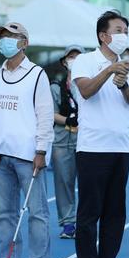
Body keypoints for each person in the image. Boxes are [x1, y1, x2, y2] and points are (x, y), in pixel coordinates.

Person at [0, 22, 54, 258]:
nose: (5, 41)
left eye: (11, 37)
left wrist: (41, 150)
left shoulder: (37, 75)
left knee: (37, 212)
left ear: (24, 42)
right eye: (3, 37)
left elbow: (45, 115)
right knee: (4, 213)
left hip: (27, 155)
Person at [72, 10, 129, 258]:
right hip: (92, 147)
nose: (123, 35)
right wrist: (109, 70)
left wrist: (123, 85)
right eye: (118, 29)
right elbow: (86, 91)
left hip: (121, 146)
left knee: (115, 212)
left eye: (126, 30)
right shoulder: (84, 61)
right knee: (90, 211)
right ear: (103, 35)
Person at [51, 44, 85, 239]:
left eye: (78, 57)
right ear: (64, 62)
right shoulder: (55, 87)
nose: (74, 61)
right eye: (70, 57)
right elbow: (51, 113)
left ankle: (86, 220)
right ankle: (68, 223)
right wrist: (68, 120)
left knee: (88, 182)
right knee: (64, 182)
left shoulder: (89, 83)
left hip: (86, 139)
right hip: (62, 139)